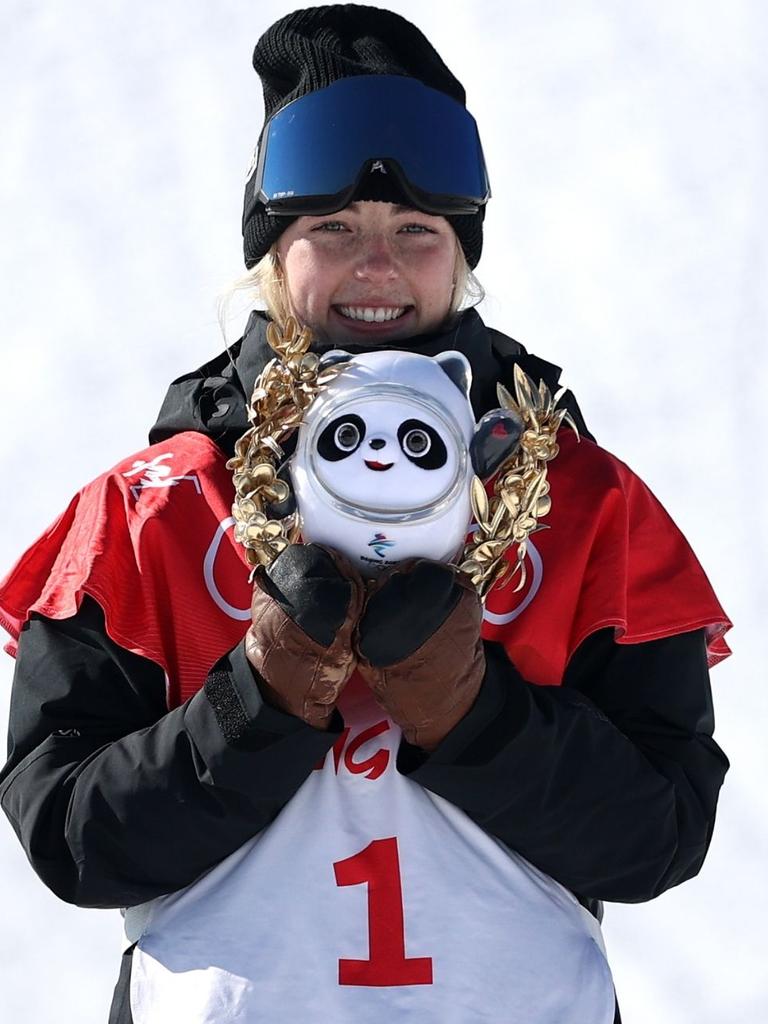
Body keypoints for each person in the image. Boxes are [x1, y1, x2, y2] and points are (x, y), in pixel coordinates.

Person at [0, 6, 731, 1023]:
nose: (376, 268)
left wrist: (472, 712)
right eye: (331, 230)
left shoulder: (583, 502)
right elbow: (71, 837)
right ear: (270, 251)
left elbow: (660, 834)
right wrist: (259, 701)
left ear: (461, 253)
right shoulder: (149, 511)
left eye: (416, 234)